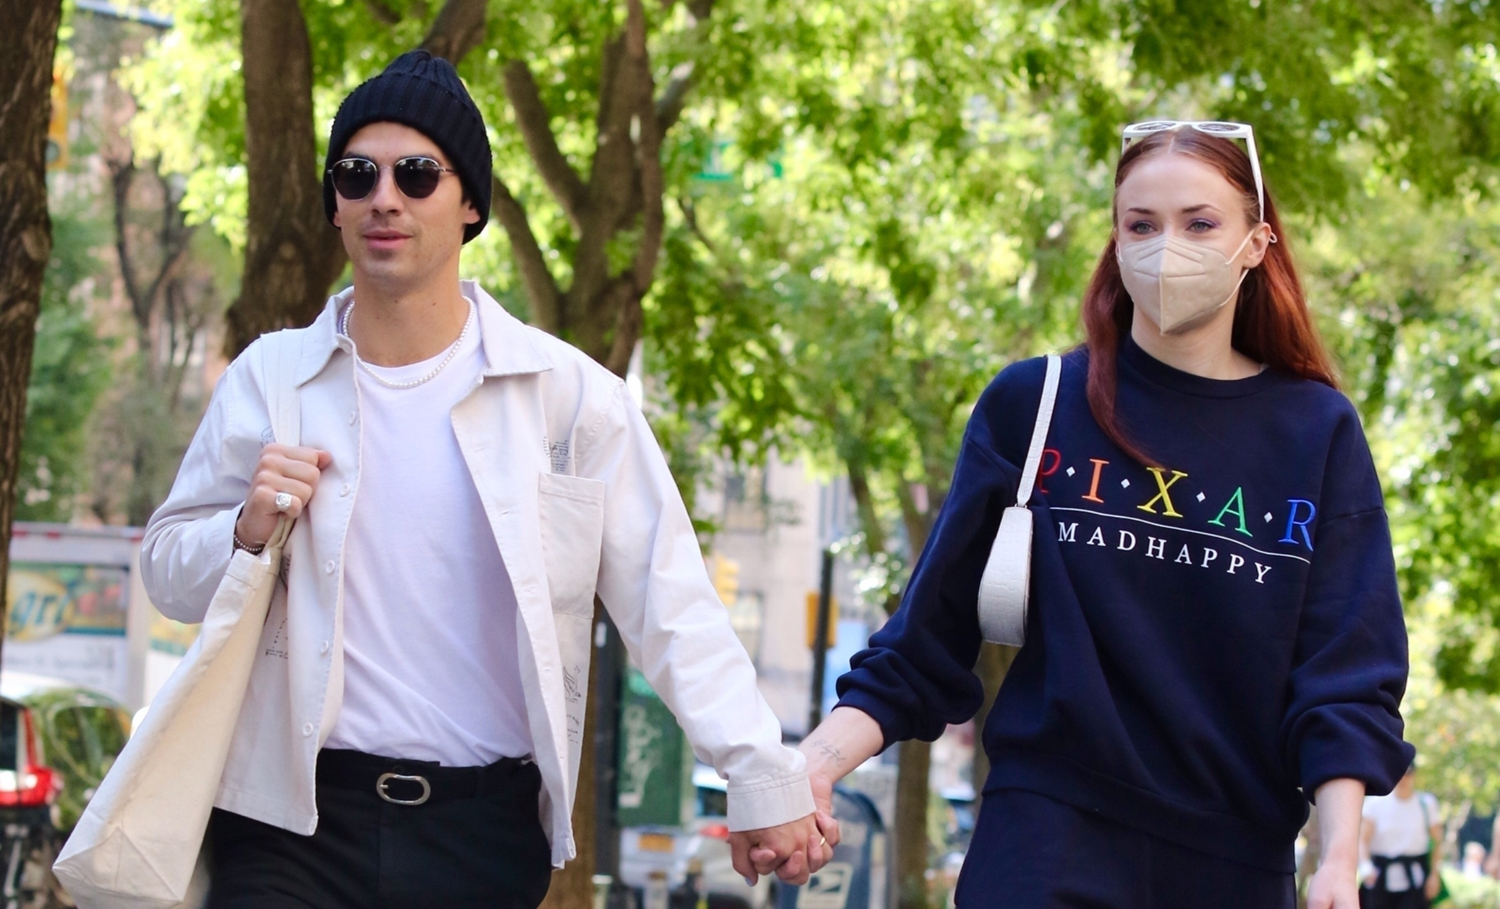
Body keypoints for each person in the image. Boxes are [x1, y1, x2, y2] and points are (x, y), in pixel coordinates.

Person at [141, 50, 829, 909]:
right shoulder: (270, 379)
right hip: (291, 825)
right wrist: (242, 531)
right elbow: (167, 571)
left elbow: (671, 603)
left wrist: (764, 780)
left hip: (481, 835)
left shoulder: (570, 399)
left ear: (470, 205)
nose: (383, 197)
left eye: (417, 174)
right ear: (335, 206)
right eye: (357, 175)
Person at [777, 121, 1414, 909]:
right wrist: (813, 763)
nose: (1164, 246)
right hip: (1045, 837)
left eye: (1199, 222)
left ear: (1255, 243)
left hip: (1234, 860)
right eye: (1139, 224)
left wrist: (1336, 859)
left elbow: (1345, 678)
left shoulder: (1318, 433)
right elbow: (925, 641)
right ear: (1114, 238)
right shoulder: (1034, 405)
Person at [1360, 763, 1443, 908]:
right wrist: (1365, 866)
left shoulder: (1427, 804)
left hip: (1415, 878)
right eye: (1399, 774)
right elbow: (1362, 840)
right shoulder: (1375, 803)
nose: (1403, 779)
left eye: (1408, 774)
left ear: (1414, 776)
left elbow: (1437, 842)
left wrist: (1435, 875)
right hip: (1380, 877)